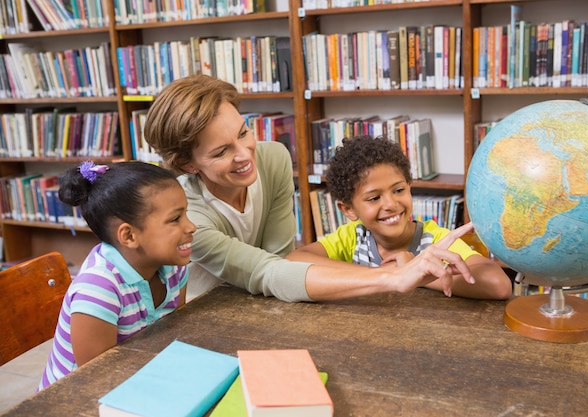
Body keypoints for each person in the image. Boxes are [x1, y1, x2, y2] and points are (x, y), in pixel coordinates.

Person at [143, 74, 481, 303]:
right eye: (221, 152)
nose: (245, 155)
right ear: (188, 164)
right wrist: (391, 277)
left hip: (277, 298)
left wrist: (396, 272)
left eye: (244, 132)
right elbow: (267, 271)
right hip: (214, 312)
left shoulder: (272, 160)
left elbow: (283, 259)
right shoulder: (186, 214)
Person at [287, 135, 512, 300]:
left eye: (398, 190)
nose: (391, 204)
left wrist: (419, 271)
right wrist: (390, 274)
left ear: (409, 187)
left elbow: (499, 285)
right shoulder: (352, 238)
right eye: (374, 198)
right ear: (348, 210)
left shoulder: (434, 240)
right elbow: (292, 262)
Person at [38, 161, 196, 390]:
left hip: (141, 376)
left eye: (186, 214)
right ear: (129, 236)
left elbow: (172, 337)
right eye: (175, 219)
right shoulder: (98, 289)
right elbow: (98, 379)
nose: (191, 226)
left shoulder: (173, 266)